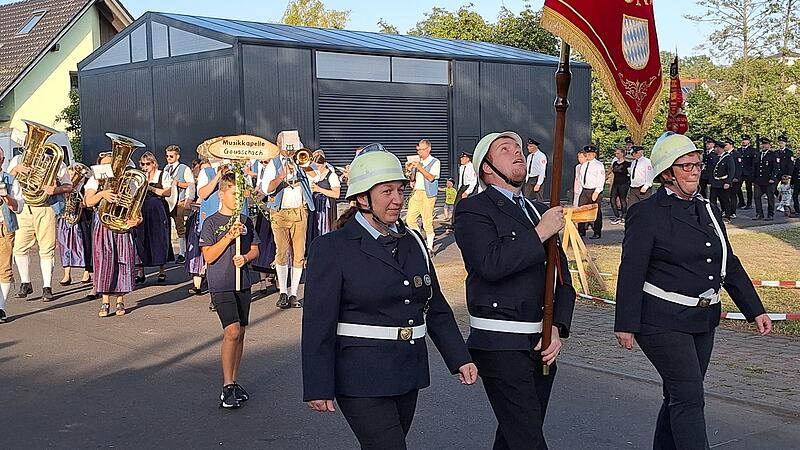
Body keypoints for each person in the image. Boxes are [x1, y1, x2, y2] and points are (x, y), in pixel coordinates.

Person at [302, 145, 477, 450]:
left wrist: (459, 357)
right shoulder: (332, 247)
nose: (398, 199)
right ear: (361, 198)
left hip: (407, 370)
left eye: (400, 190)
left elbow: (434, 305)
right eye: (387, 191)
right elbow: (318, 322)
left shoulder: (412, 241)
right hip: (359, 374)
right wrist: (317, 384)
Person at [615, 131, 772, 450]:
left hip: (702, 321)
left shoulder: (709, 209)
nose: (695, 171)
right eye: (686, 166)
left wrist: (755, 309)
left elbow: (728, 261)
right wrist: (625, 324)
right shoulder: (647, 213)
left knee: (678, 394)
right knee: (689, 397)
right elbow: (631, 270)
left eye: (697, 165)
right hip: (659, 320)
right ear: (666, 174)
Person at [454, 131, 575, 450]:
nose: (517, 153)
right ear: (487, 168)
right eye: (505, 150)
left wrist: (557, 328)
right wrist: (541, 233)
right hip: (499, 344)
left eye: (519, 149)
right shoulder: (473, 210)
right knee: (528, 440)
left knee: (515, 435)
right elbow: (490, 263)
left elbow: (561, 280)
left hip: (540, 343)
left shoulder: (537, 211)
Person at [200, 172, 260, 409]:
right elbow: (209, 256)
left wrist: (245, 257)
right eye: (234, 194)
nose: (238, 199)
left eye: (240, 194)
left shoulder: (245, 220)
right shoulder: (212, 222)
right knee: (232, 331)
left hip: (242, 281)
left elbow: (255, 249)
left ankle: (234, 380)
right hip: (221, 283)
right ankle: (226, 385)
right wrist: (228, 237)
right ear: (221, 194)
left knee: (242, 332)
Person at [8, 149, 73, 301]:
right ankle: (25, 282)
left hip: (45, 207)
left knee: (47, 248)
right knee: (19, 248)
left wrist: (55, 189)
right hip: (24, 208)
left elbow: (69, 186)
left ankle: (47, 287)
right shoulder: (18, 160)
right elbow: (7, 182)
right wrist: (15, 170)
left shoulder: (56, 162)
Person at [84, 154, 141, 317]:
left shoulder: (127, 182)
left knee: (123, 261)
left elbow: (136, 209)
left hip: (121, 225)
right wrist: (103, 194)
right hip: (102, 225)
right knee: (103, 261)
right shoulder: (95, 181)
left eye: (112, 164)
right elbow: (88, 202)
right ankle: (105, 301)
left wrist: (135, 221)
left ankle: (120, 300)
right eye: (105, 165)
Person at [264, 131, 315, 309]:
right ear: (279, 145)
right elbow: (267, 188)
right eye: (285, 145)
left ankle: (294, 294)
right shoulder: (273, 163)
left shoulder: (301, 161)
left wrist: (302, 161)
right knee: (282, 252)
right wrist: (281, 176)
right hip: (280, 212)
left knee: (299, 255)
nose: (288, 149)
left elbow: (316, 176)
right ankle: (283, 292)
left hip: (300, 211)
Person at [134, 151, 173, 283]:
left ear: (153, 163)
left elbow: (166, 192)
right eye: (143, 164)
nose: (145, 166)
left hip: (157, 208)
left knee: (159, 237)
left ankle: (162, 270)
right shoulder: (140, 176)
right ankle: (140, 271)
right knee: (140, 238)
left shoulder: (162, 174)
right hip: (142, 208)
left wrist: (150, 188)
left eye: (148, 164)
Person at [57, 165, 93, 286]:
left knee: (83, 245)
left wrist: (83, 203)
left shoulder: (84, 188)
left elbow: (88, 202)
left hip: (80, 218)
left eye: (74, 175)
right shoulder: (64, 186)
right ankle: (67, 274)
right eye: (70, 174)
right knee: (64, 245)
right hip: (65, 219)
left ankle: (87, 272)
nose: (72, 177)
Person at [0, 150, 24, 322]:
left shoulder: (10, 179)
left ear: (2, 161)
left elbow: (19, 206)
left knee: (4, 269)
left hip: (4, 226)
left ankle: (0, 308)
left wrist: (7, 198)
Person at [404, 139, 440, 252]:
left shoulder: (435, 162)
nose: (420, 152)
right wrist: (409, 170)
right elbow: (412, 179)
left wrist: (419, 167)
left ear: (428, 149)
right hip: (416, 192)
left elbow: (431, 178)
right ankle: (420, 239)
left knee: (427, 221)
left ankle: (429, 246)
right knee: (410, 219)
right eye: (418, 150)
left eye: (422, 149)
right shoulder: (417, 162)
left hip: (428, 194)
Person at [164, 145, 195, 264]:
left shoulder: (184, 168)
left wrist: (188, 198)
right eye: (167, 156)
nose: (168, 158)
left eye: (171, 156)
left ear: (177, 156)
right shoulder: (166, 168)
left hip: (180, 201)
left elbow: (191, 184)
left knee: (180, 227)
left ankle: (183, 252)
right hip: (169, 201)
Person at [307, 150, 340, 246]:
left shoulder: (331, 175)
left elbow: (336, 194)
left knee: (325, 228)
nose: (316, 169)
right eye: (314, 166)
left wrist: (319, 189)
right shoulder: (314, 176)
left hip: (326, 208)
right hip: (315, 206)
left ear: (324, 164)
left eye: (318, 166)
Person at [577, 144, 605, 239]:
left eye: (590, 154)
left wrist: (597, 192)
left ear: (594, 155)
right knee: (581, 210)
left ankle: (597, 232)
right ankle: (581, 230)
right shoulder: (584, 165)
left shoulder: (598, 165)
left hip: (594, 190)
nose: (588, 156)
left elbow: (601, 179)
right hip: (585, 190)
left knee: (596, 211)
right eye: (587, 154)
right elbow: (581, 178)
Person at [752, 137, 780, 221]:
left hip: (768, 180)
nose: (763, 146)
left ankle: (770, 214)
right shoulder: (758, 154)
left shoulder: (773, 155)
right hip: (759, 180)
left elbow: (776, 167)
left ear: (769, 145)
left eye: (765, 144)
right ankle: (759, 214)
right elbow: (755, 167)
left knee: (770, 198)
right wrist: (753, 179)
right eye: (762, 144)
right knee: (757, 197)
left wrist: (773, 177)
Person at [709, 140, 735, 221]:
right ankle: (714, 215)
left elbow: (731, 170)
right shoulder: (715, 157)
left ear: (721, 148)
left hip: (723, 181)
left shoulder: (728, 157)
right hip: (715, 182)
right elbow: (712, 170)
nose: (715, 149)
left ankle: (727, 216)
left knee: (725, 200)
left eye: (717, 147)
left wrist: (728, 182)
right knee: (712, 200)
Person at [609, 147, 631, 224]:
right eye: (615, 153)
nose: (616, 155)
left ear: (622, 154)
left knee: (622, 200)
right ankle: (617, 216)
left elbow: (630, 174)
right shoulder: (615, 163)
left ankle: (623, 216)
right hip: (616, 184)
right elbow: (611, 171)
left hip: (624, 184)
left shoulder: (627, 164)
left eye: (618, 153)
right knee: (612, 199)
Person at [726, 138, 743, 218]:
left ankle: (732, 212)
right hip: (728, 178)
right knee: (727, 195)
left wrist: (736, 177)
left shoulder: (736, 154)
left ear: (731, 145)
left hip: (735, 178)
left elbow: (739, 167)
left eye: (726, 144)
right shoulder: (725, 154)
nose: (725, 146)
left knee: (733, 195)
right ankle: (727, 211)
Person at [738, 134, 755, 209]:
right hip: (740, 172)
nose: (743, 141)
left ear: (749, 141)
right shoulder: (739, 150)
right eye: (742, 140)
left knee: (749, 188)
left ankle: (749, 203)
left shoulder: (752, 151)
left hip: (749, 172)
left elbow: (754, 162)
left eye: (745, 140)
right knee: (737, 187)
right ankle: (741, 202)